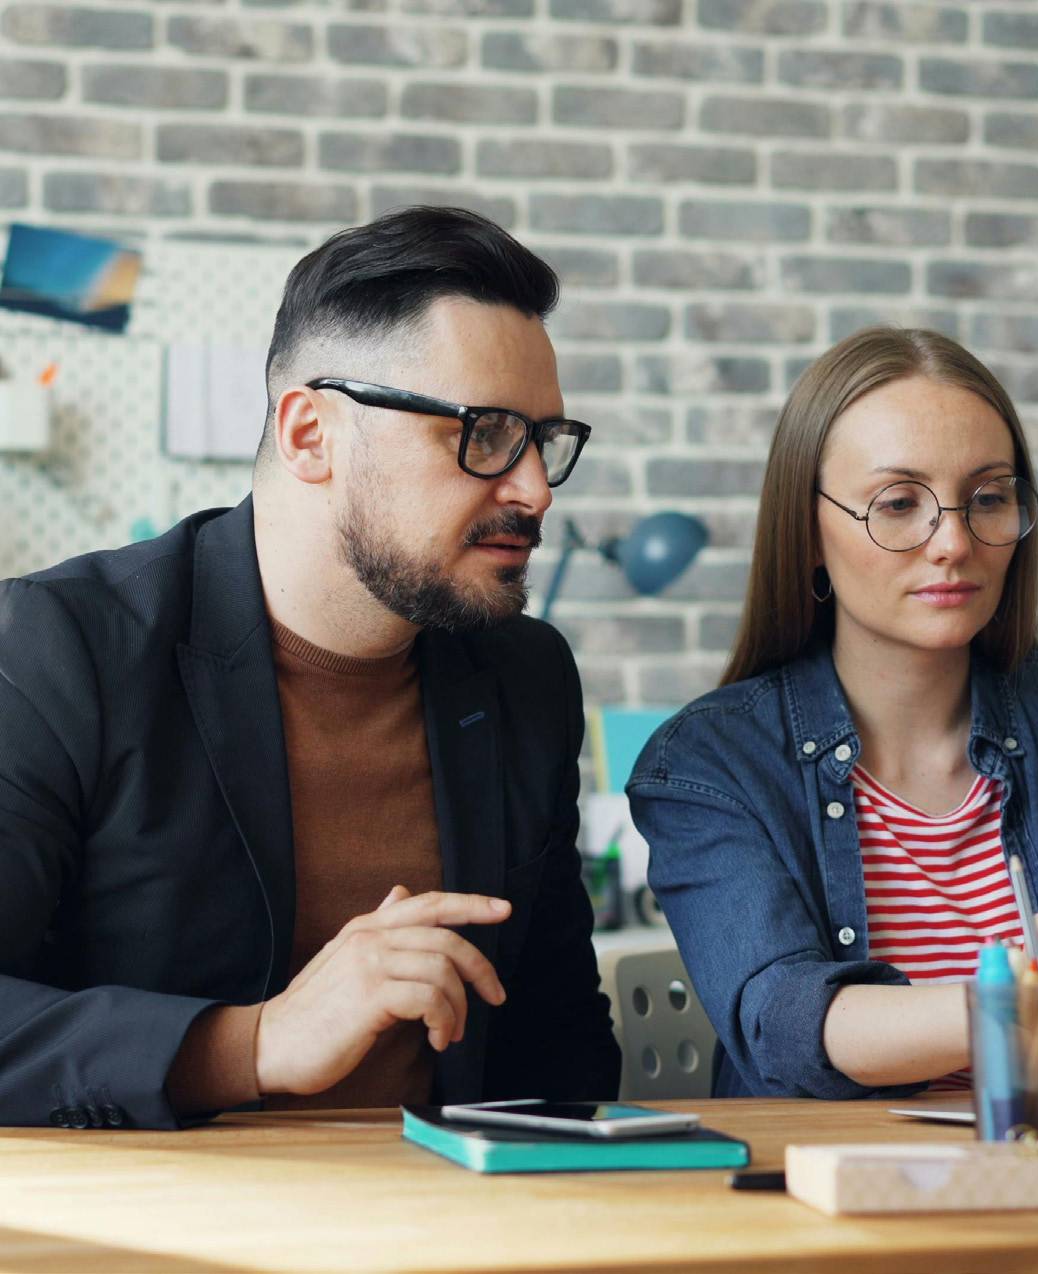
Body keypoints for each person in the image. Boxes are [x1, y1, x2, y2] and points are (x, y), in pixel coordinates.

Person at [0, 205, 620, 1129]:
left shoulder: (524, 676)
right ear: (308, 435)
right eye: (484, 433)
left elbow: (555, 1036)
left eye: (543, 440)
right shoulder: (60, 650)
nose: (531, 487)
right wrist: (253, 1043)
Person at [627, 327, 1038, 1100]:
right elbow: (786, 1021)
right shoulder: (708, 763)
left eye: (988, 498)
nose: (953, 541)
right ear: (808, 530)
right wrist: (1030, 1004)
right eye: (898, 503)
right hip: (832, 1205)